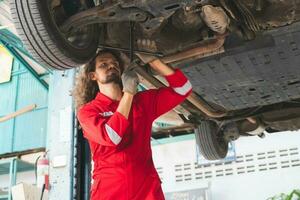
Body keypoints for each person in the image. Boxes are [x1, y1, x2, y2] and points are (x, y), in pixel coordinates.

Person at [73, 49, 192, 200]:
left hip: (146, 189)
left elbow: (183, 89)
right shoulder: (88, 112)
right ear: (92, 76)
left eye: (115, 63)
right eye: (103, 64)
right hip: (111, 191)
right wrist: (128, 93)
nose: (111, 66)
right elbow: (112, 136)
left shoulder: (142, 103)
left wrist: (154, 61)